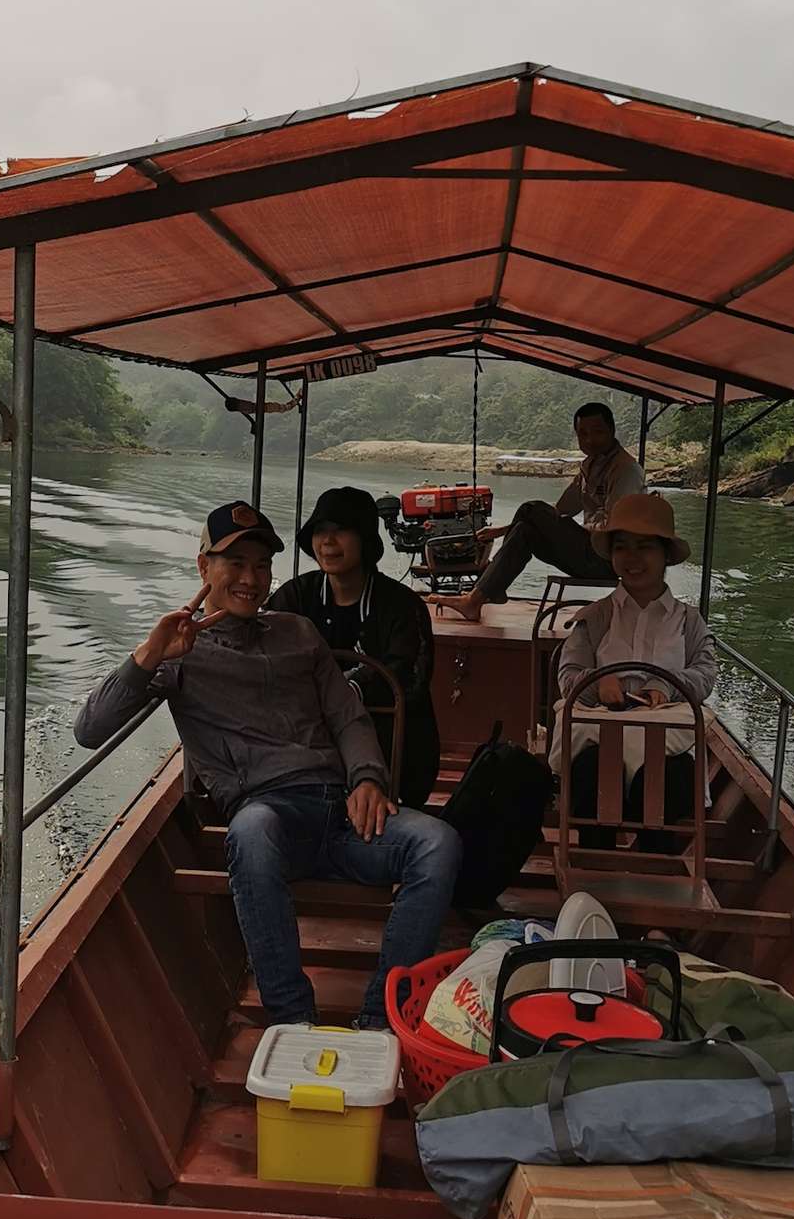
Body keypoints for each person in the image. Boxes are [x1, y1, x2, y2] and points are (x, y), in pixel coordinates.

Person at [74, 499, 459, 1029]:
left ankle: (380, 1017)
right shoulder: (181, 651)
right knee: (252, 832)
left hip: (344, 813)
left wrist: (367, 778)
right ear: (203, 567)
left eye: (261, 565)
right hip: (270, 817)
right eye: (235, 564)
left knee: (438, 843)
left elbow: (348, 718)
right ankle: (291, 1019)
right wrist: (148, 655)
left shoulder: (298, 633)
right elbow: (89, 730)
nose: (251, 579)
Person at [267, 486, 440, 809]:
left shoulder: (402, 607)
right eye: (320, 531)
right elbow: (264, 658)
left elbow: (410, 678)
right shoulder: (295, 597)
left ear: (364, 539)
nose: (328, 542)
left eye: (341, 530)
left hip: (393, 749)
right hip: (308, 747)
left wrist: (344, 692)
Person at [554, 492, 717, 828]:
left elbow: (705, 672)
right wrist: (597, 683)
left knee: (672, 773)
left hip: (665, 739)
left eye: (645, 547)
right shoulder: (595, 617)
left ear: (665, 555)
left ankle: (658, 861)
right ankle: (592, 859)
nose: (632, 558)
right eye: (621, 547)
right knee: (592, 765)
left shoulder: (689, 620)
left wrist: (667, 686)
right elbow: (568, 675)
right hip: (600, 733)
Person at [452, 400, 645, 617]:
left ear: (612, 431)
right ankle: (477, 599)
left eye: (597, 432)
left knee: (531, 508)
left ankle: (489, 587)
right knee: (524, 531)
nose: (590, 440)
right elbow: (561, 510)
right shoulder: (590, 466)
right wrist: (500, 531)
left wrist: (575, 532)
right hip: (587, 550)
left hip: (608, 558)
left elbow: (617, 523)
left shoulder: (626, 470)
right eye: (583, 434)